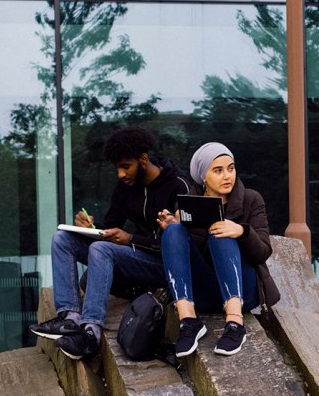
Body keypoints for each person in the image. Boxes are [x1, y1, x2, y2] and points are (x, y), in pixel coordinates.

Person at [32, 127, 194, 360]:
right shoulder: (125, 188)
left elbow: (183, 244)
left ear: (143, 159)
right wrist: (89, 229)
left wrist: (130, 239)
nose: (120, 174)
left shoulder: (178, 185)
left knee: (101, 249)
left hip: (165, 265)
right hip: (133, 258)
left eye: (125, 166)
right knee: (62, 239)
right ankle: (70, 318)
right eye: (117, 167)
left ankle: (91, 332)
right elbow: (109, 228)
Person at [155, 141, 280, 359]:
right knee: (173, 232)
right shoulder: (187, 205)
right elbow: (180, 258)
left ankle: (235, 325)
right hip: (204, 292)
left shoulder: (251, 199)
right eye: (218, 170)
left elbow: (263, 252)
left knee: (221, 232)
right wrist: (171, 228)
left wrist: (241, 230)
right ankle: (188, 322)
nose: (227, 176)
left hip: (243, 291)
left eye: (230, 168)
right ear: (204, 176)